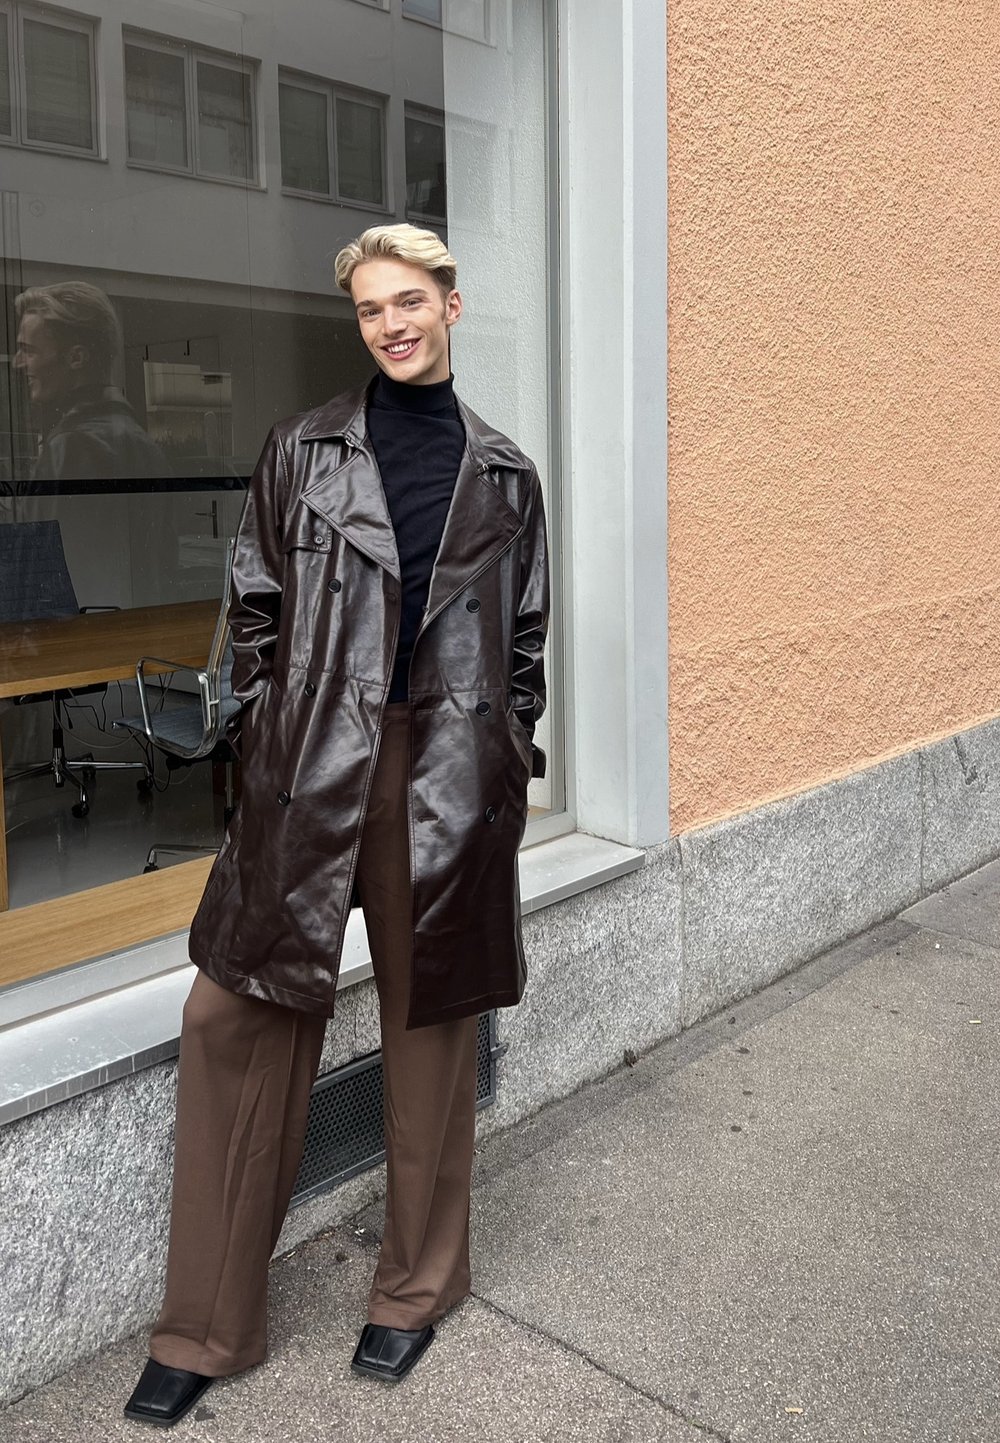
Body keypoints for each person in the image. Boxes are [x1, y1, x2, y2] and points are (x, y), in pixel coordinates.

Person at [123, 223, 549, 1427]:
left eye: (408, 301)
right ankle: (205, 1324)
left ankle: (413, 1292)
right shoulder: (303, 449)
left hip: (447, 782)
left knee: (431, 1033)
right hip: (310, 772)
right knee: (229, 1015)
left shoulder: (505, 475)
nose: (390, 324)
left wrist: (506, 760)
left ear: (452, 307)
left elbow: (523, 645)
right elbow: (254, 601)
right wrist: (262, 736)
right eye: (370, 309)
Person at [13, 281, 168, 489]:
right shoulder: (145, 446)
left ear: (76, 358)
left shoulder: (70, 449)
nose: (17, 362)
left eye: (29, 351)